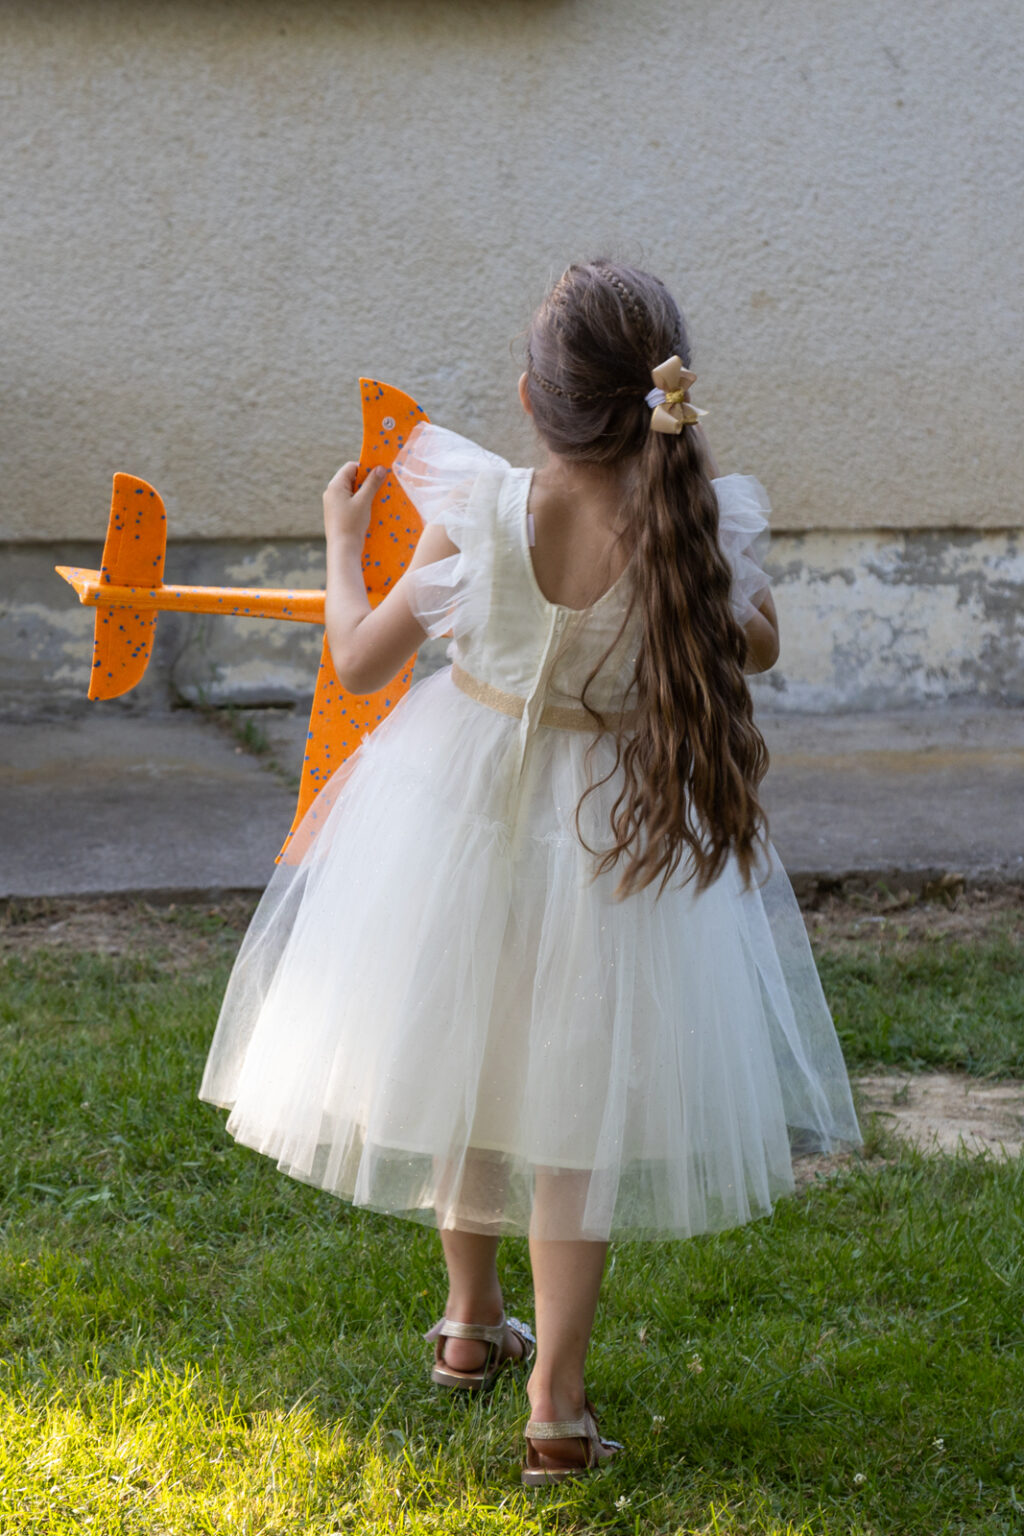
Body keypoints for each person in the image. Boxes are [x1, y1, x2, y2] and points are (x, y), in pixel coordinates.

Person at [199, 259, 861, 1486]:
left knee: (467, 1052)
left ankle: (466, 1321)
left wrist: (344, 543)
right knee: (570, 1111)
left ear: (529, 397)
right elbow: (754, 646)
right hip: (612, 838)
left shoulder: (476, 504)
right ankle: (551, 1396)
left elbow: (354, 661)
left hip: (451, 814)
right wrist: (719, 566)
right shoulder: (689, 524)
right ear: (666, 401)